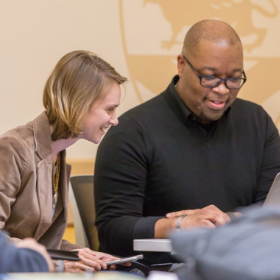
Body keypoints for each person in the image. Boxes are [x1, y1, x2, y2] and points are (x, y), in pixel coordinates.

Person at [94, 19, 280, 264]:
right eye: (210, 77)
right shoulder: (131, 132)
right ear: (181, 65)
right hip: (165, 268)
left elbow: (272, 211)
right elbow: (112, 231)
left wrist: (224, 221)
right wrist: (179, 226)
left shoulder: (257, 122)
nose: (223, 89)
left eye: (234, 78)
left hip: (245, 266)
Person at [0, 50, 128, 272]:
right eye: (109, 109)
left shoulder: (57, 155)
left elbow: (41, 242)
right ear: (79, 103)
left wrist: (80, 254)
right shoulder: (13, 148)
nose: (115, 120)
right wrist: (59, 263)